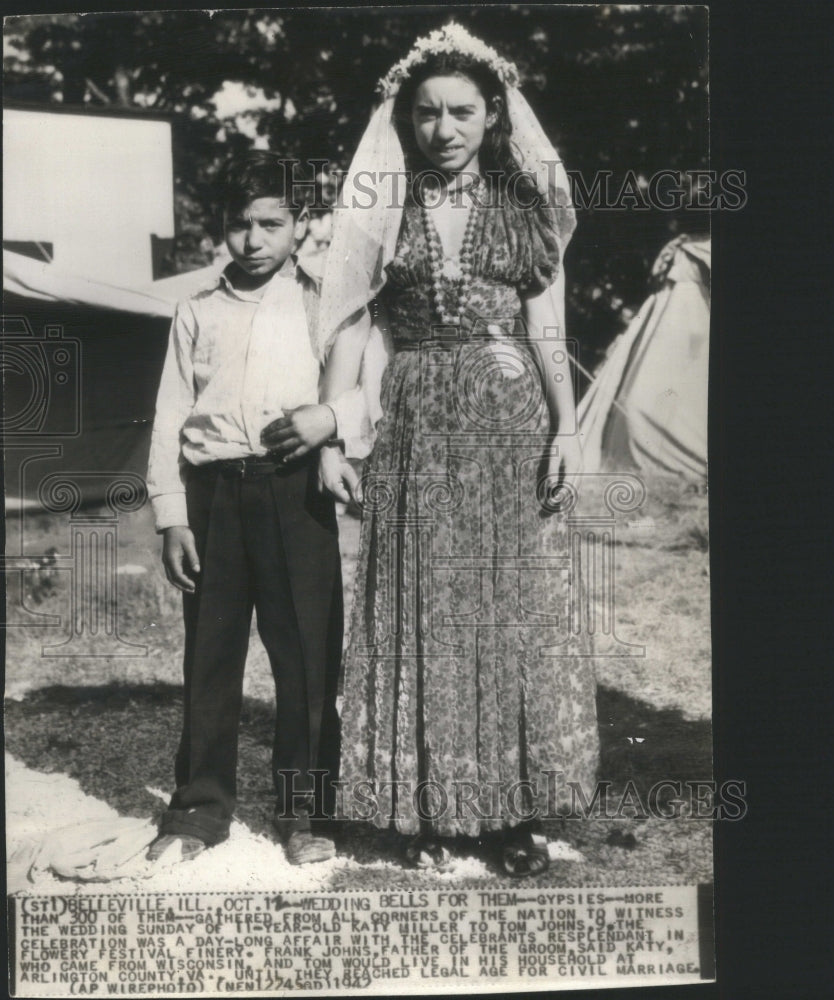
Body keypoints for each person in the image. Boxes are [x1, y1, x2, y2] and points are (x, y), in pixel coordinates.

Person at [317, 24, 600, 877]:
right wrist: (336, 430)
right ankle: (430, 808)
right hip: (412, 420)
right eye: (427, 113)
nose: (443, 129)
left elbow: (546, 328)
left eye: (461, 113)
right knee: (425, 609)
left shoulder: (523, 209)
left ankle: (508, 813)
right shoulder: (384, 205)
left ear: (492, 117)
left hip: (509, 423)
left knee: (508, 611)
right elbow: (350, 323)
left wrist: (568, 427)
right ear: (406, 120)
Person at [146, 151, 360, 866]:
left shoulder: (324, 306)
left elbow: (370, 387)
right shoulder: (196, 310)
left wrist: (331, 420)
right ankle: (200, 808)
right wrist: (172, 512)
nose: (254, 239)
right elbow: (170, 413)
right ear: (220, 231)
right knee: (210, 657)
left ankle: (305, 813)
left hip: (293, 492)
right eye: (239, 224)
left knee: (305, 660)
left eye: (271, 222)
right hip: (213, 497)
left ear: (301, 226)